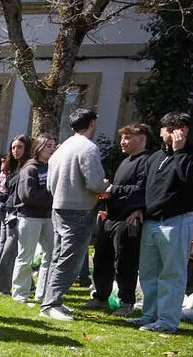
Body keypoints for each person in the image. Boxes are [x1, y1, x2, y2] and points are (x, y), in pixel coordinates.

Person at [132, 110, 193, 333]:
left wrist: (180, 152)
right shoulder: (155, 157)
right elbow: (145, 187)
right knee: (148, 272)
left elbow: (190, 179)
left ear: (186, 131)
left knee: (172, 273)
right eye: (170, 130)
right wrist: (138, 209)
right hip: (152, 221)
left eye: (180, 129)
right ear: (162, 132)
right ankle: (149, 315)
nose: (174, 134)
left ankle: (167, 321)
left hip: (177, 220)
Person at [41, 108, 108, 321]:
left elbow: (50, 184)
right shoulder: (87, 148)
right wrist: (106, 187)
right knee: (70, 259)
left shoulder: (61, 148)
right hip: (78, 209)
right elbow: (95, 182)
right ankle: (51, 304)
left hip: (59, 206)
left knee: (59, 256)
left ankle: (51, 301)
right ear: (92, 123)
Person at [88, 124, 151, 315]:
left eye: (127, 138)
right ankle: (101, 297)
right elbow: (120, 188)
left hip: (128, 221)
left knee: (124, 262)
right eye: (122, 138)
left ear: (142, 139)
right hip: (111, 218)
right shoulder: (125, 161)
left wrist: (113, 189)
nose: (122, 142)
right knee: (101, 259)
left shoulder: (147, 161)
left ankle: (126, 302)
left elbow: (142, 190)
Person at [9, 135, 57, 303]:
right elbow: (28, 195)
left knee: (51, 254)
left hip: (48, 217)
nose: (52, 149)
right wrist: (52, 196)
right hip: (30, 217)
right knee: (26, 256)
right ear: (38, 148)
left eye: (53, 146)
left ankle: (42, 293)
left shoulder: (51, 167)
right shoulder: (30, 168)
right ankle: (20, 293)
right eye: (48, 146)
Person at [0, 135, 32, 295]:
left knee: (12, 250)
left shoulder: (28, 168)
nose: (15, 151)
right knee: (7, 248)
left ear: (26, 149)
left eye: (19, 147)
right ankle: (3, 285)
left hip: (20, 214)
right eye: (13, 148)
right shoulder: (15, 167)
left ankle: (5, 286)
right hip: (9, 212)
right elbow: (9, 192)